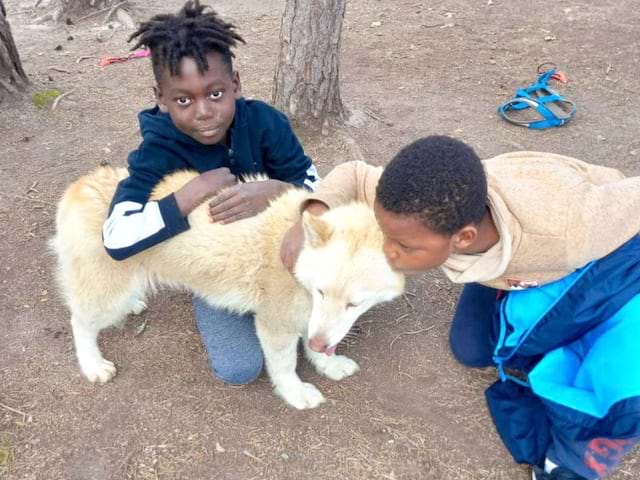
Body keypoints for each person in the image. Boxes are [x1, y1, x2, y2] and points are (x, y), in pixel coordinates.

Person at [281, 135, 640, 479]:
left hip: (604, 257)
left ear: (463, 238)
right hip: (506, 260)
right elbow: (356, 174)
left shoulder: (566, 235)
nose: (386, 251)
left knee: (595, 353)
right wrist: (314, 213)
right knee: (471, 349)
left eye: (403, 246)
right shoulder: (420, 207)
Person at [102, 0, 320, 385]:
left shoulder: (266, 123)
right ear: (161, 98)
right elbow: (116, 237)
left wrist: (278, 190)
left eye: (216, 94)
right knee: (240, 369)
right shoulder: (157, 151)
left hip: (278, 251)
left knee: (326, 310)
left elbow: (317, 187)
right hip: (218, 270)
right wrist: (191, 193)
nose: (203, 111)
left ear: (235, 85)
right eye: (183, 99)